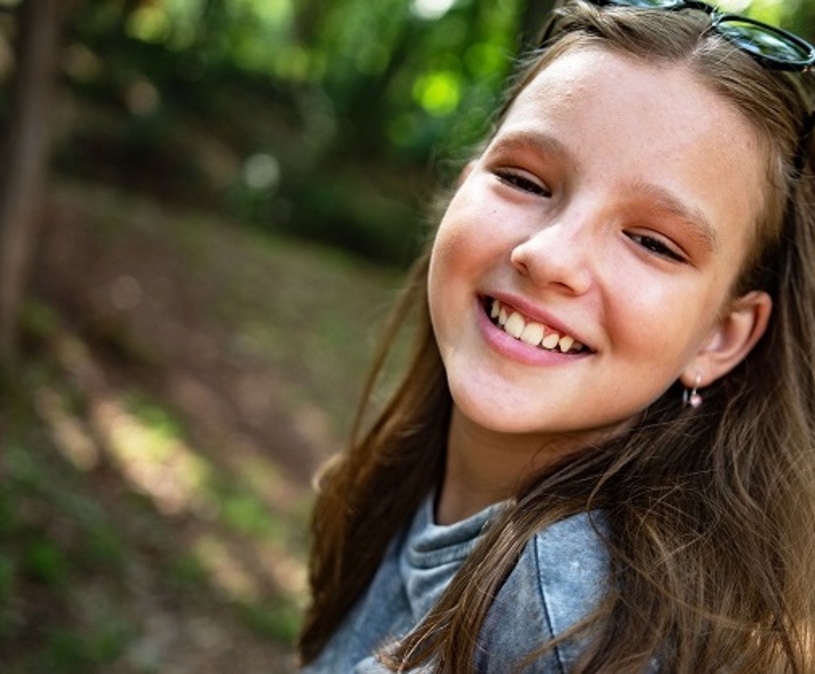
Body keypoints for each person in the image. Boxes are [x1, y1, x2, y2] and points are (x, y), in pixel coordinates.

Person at [298, 1, 815, 671]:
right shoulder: (401, 490)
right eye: (521, 179)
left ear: (720, 336)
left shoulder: (571, 622)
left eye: (651, 242)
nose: (548, 256)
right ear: (463, 187)